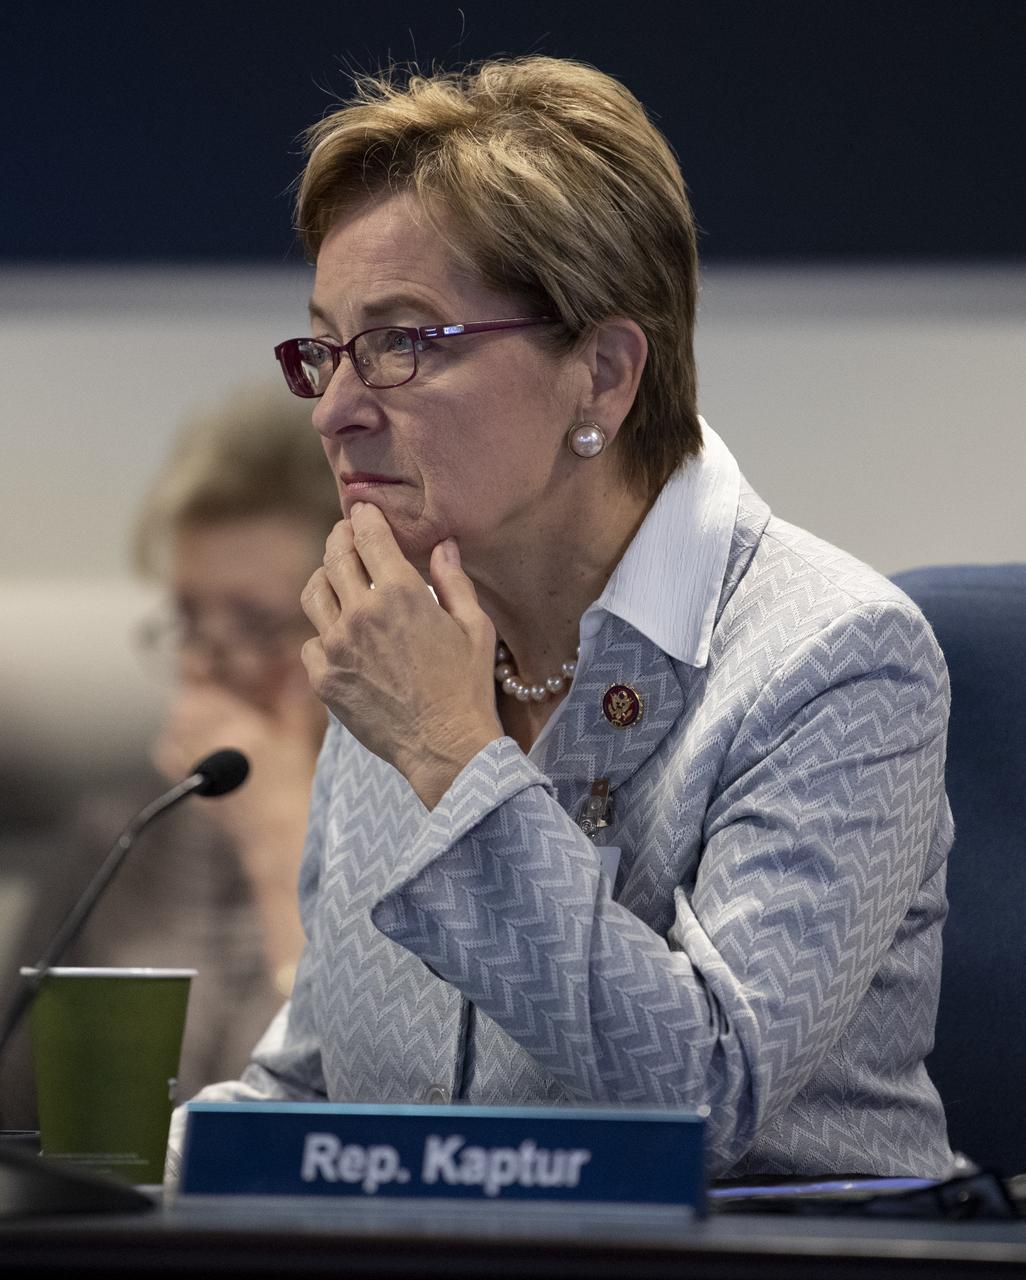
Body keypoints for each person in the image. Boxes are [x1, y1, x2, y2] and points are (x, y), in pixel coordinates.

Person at [182, 57, 955, 1179]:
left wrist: (454, 752)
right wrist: (100, 1185)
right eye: (329, 349)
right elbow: (313, 1086)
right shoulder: (402, 635)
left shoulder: (837, 659)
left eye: (402, 342)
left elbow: (704, 1092)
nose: (337, 412)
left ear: (600, 373)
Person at [73, 385, 338, 1100]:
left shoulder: (419, 845)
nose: (202, 666)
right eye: (191, 620)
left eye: (255, 625)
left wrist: (282, 837)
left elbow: (352, 1105)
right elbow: (31, 1121)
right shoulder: (120, 840)